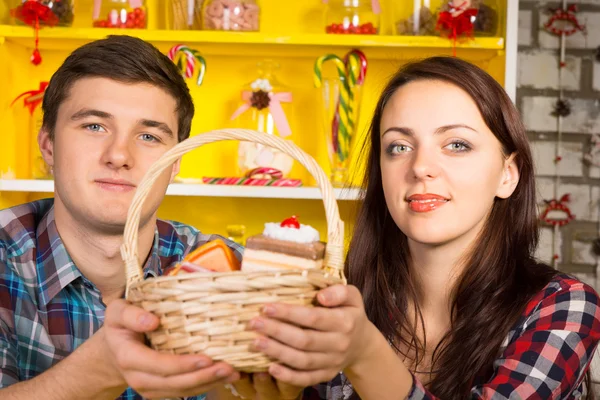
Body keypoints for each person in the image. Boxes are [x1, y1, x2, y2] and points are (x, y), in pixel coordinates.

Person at [235, 56, 600, 399]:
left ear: (507, 175)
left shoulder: (563, 306)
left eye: (457, 144)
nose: (421, 166)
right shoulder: (337, 297)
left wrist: (364, 353)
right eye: (399, 146)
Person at [0, 35, 249, 400]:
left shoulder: (232, 272)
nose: (119, 156)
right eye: (94, 126)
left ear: (175, 162)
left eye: (148, 136)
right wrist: (100, 369)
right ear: (48, 144)